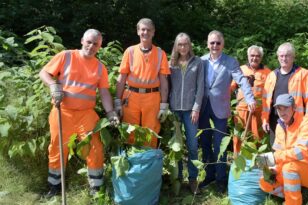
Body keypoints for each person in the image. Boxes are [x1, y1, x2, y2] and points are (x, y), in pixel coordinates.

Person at [39, 29, 119, 197]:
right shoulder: (66, 56)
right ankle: (54, 187)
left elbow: (104, 92)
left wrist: (111, 112)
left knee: (95, 148)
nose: (91, 46)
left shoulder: (99, 67)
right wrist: (53, 86)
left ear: (100, 46)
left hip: (86, 114)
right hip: (62, 112)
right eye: (89, 42)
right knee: (57, 148)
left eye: (95, 44)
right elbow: (44, 73)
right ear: (82, 40)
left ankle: (96, 189)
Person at [198, 30, 256, 193]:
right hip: (203, 108)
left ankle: (221, 179)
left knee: (220, 145)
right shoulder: (201, 61)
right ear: (207, 44)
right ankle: (209, 175)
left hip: (220, 109)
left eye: (218, 43)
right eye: (212, 43)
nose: (215, 46)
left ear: (222, 44)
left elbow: (242, 81)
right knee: (205, 143)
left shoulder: (230, 62)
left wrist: (250, 98)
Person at [257, 94, 308, 205]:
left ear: (294, 107)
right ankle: (298, 195)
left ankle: (293, 202)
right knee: (264, 181)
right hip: (291, 168)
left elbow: (301, 152)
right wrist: (274, 169)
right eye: (279, 108)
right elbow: (280, 153)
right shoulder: (280, 126)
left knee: (289, 168)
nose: (282, 112)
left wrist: (273, 157)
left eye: (286, 108)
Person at [115, 18, 170, 148]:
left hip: (152, 97)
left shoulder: (160, 54)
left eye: (149, 29)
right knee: (129, 131)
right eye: (143, 29)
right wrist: (117, 101)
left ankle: (148, 164)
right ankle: (131, 164)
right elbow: (121, 78)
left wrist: (164, 105)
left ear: (153, 32)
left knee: (150, 132)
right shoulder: (130, 51)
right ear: (138, 31)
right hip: (131, 96)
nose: (146, 32)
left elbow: (164, 82)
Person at [261, 42, 308, 147]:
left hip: (296, 121)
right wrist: (265, 119)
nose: (284, 58)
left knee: (295, 152)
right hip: (275, 121)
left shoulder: (303, 74)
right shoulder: (271, 75)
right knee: (277, 152)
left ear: (293, 57)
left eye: (287, 55)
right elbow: (265, 101)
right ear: (278, 57)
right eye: (281, 56)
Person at [169, 33, 204, 194]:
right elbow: (167, 86)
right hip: (175, 109)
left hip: (191, 111)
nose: (183, 47)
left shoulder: (198, 63)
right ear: (176, 46)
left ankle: (193, 179)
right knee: (176, 146)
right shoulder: (171, 63)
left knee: (192, 146)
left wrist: (196, 108)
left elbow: (200, 87)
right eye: (180, 45)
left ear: (190, 45)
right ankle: (177, 179)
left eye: (185, 44)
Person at [231, 45, 271, 154]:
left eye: (258, 56)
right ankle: (238, 162)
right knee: (239, 136)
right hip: (242, 111)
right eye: (252, 55)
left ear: (261, 57)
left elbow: (271, 94)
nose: (255, 58)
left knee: (257, 137)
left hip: (258, 112)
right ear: (248, 56)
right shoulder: (240, 69)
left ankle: (256, 165)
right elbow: (231, 87)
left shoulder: (268, 72)